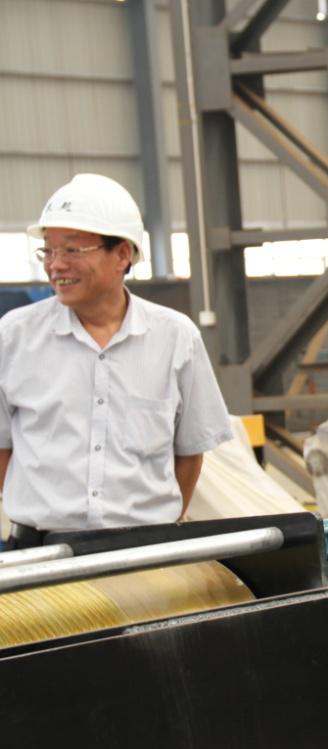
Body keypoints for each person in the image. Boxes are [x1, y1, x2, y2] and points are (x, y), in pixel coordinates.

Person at [0, 173, 233, 548]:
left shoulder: (175, 338)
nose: (56, 265)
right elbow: (2, 447)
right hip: (40, 553)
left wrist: (154, 526)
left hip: (145, 552)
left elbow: (190, 453)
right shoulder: (13, 337)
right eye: (48, 251)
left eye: (72, 251)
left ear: (123, 254)